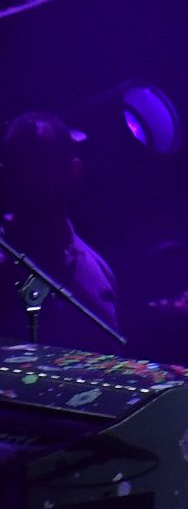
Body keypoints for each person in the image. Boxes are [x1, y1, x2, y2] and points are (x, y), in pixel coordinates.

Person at [0, 112, 120, 351]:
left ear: (73, 172)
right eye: (20, 164)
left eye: (41, 161)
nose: (30, 175)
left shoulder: (96, 271)